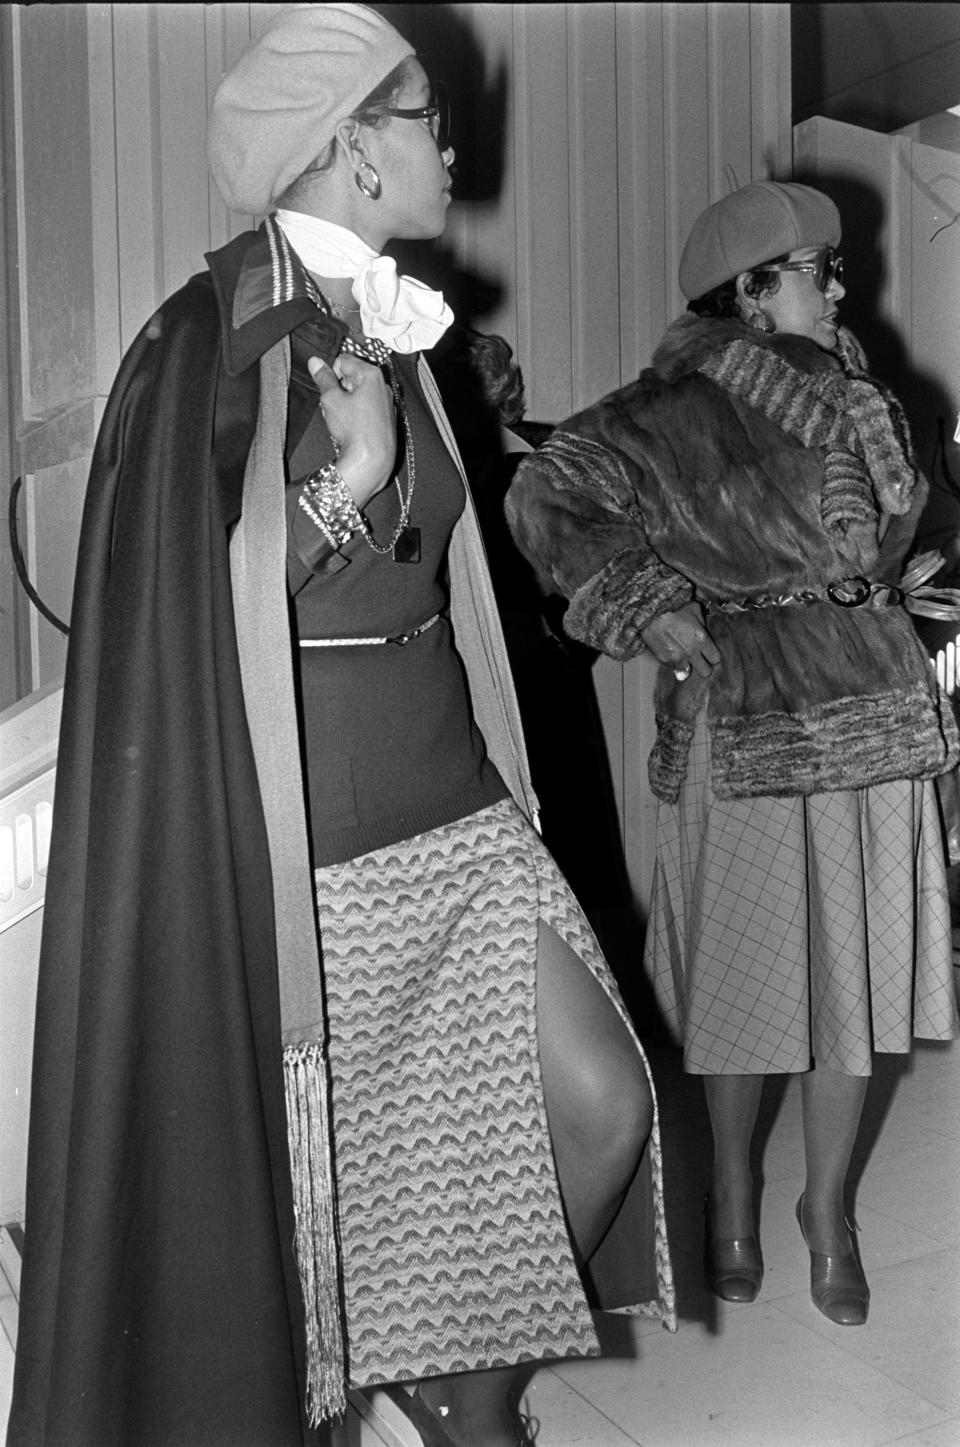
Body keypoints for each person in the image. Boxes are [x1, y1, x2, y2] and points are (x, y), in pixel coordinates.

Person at [6, 7, 675, 1447]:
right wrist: (348, 476)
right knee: (326, 1220)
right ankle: (450, 1411)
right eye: (425, 114)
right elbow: (190, 607)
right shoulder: (205, 339)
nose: (450, 140)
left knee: (608, 1105)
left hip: (465, 820)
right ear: (351, 149)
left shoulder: (394, 321)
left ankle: (455, 1387)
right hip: (331, 863)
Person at [506, 179, 960, 1330]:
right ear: (754, 293)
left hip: (867, 710)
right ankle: (731, 1194)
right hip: (749, 719)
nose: (843, 285)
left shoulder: (859, 396)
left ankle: (829, 1214)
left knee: (853, 993)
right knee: (744, 991)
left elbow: (914, 527)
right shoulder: (668, 410)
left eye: (836, 268)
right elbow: (544, 489)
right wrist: (639, 596)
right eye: (822, 268)